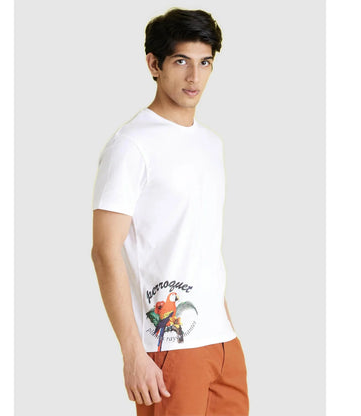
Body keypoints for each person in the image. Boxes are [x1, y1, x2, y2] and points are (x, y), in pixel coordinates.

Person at [91, 8, 249, 416]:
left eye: (205, 63)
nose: (195, 77)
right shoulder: (131, 146)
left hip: (223, 343)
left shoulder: (212, 144)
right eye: (181, 61)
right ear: (154, 65)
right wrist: (132, 354)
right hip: (171, 347)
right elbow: (105, 251)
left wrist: (226, 329)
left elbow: (201, 244)